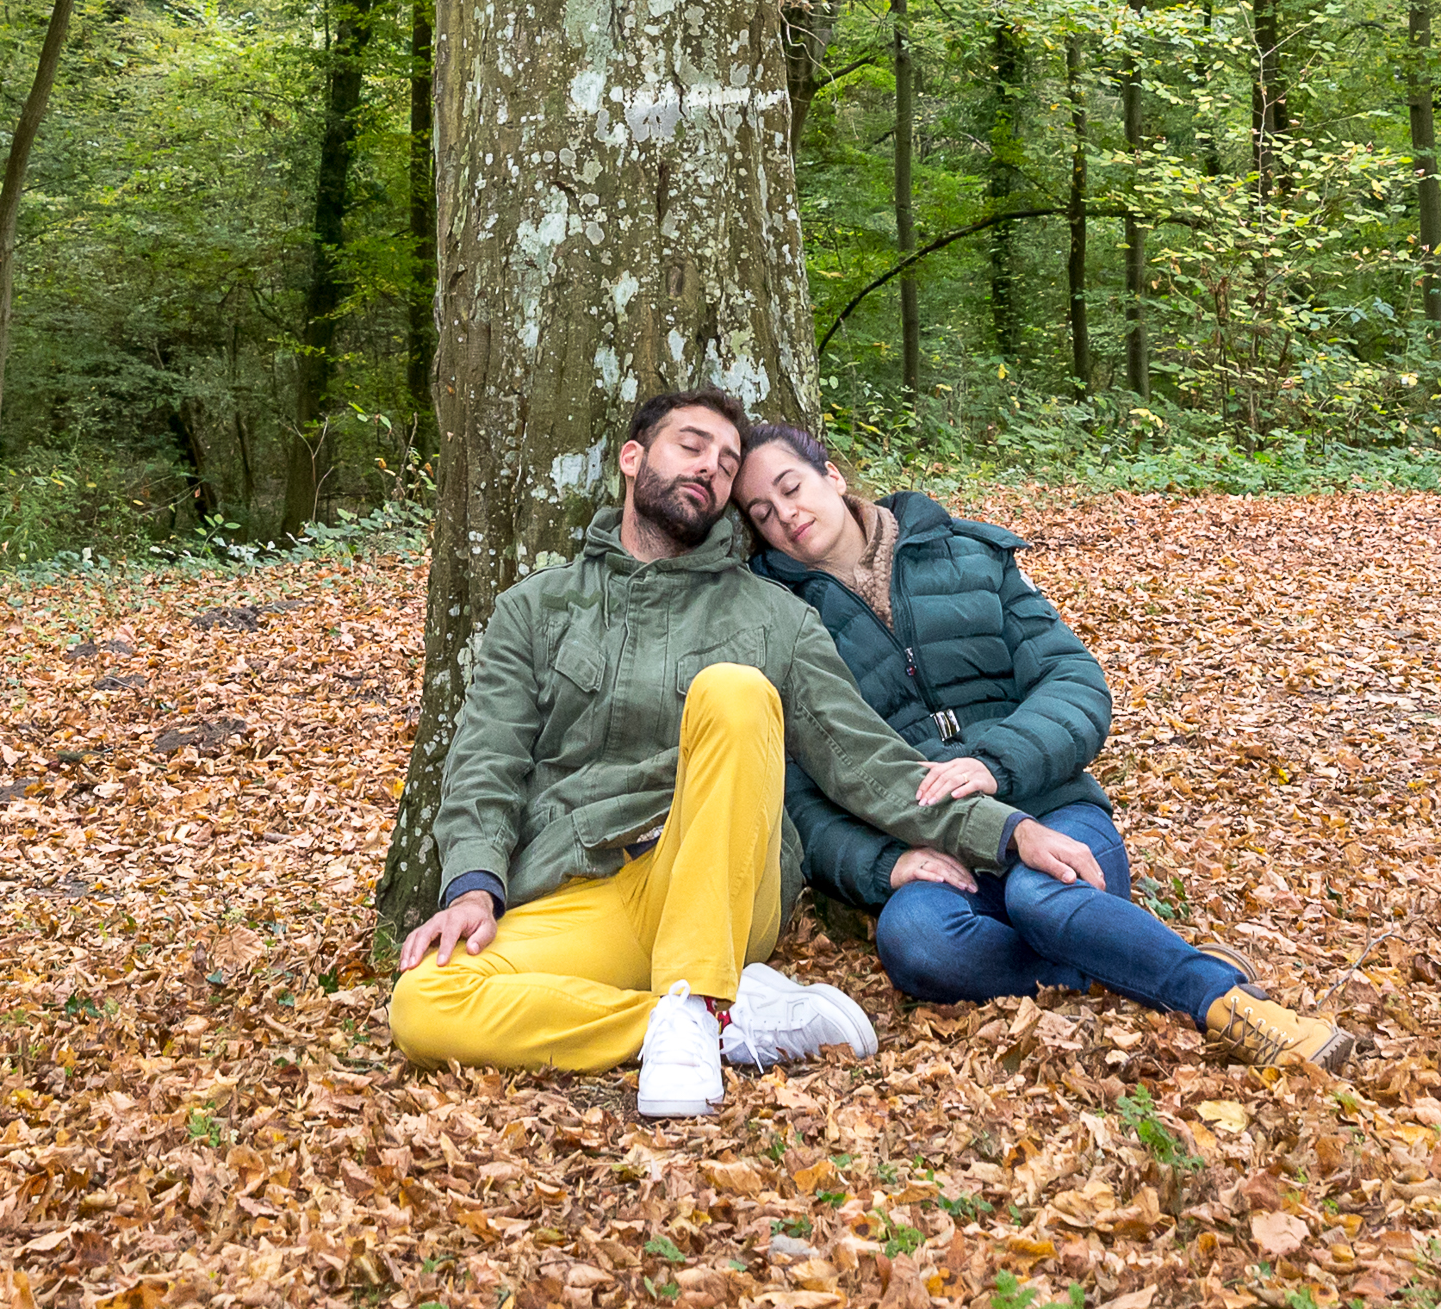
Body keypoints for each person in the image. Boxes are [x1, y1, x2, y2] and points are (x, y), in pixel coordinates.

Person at [391, 387, 1111, 1117]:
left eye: (726, 461)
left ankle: (699, 988)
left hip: (723, 885)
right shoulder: (535, 608)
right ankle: (706, 1019)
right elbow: (486, 760)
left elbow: (866, 761)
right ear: (632, 456)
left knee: (733, 691)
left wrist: (1006, 828)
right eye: (691, 444)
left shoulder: (775, 618)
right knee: (424, 1003)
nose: (710, 466)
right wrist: (473, 886)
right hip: (588, 891)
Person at [735, 422, 1358, 1072]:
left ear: (831, 475)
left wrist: (996, 762)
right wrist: (880, 862)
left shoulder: (967, 554)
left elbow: (1074, 682)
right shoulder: (779, 621)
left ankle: (1223, 1000)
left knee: (1041, 897)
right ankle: (1112, 955)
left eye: (791, 487)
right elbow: (800, 786)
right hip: (930, 840)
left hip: (1050, 803)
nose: (786, 515)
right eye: (762, 512)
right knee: (915, 940)